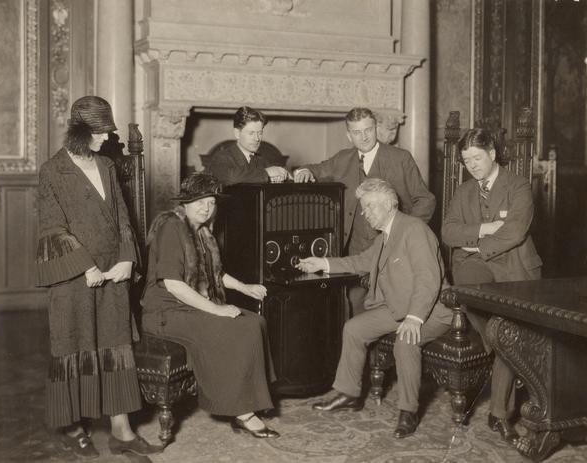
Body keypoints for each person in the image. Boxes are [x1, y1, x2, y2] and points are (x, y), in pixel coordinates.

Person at [36, 96, 160, 460]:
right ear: (80, 132)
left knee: (115, 345)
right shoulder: (51, 171)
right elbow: (51, 227)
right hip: (75, 278)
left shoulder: (106, 165)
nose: (107, 138)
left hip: (113, 274)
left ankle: (122, 430)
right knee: (74, 347)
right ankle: (74, 427)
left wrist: (126, 260)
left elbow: (123, 217)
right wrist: (85, 267)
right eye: (101, 132)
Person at [296, 178, 452, 438]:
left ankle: (408, 411)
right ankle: (349, 393)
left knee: (405, 341)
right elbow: (362, 260)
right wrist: (322, 263)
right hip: (398, 307)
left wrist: (414, 318)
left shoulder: (414, 229)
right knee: (354, 328)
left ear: (389, 205)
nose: (365, 214)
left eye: (369, 207)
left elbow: (428, 278)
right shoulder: (386, 235)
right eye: (364, 208)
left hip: (432, 310)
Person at [140, 172, 280, 439]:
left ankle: (252, 400)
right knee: (237, 328)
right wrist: (216, 310)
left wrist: (244, 287)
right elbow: (173, 284)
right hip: (165, 312)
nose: (207, 207)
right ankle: (242, 412)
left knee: (255, 322)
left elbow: (216, 275)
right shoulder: (171, 227)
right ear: (185, 203)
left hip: (189, 306)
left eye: (212, 202)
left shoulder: (202, 231)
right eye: (200, 201)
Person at [442, 128, 543, 446]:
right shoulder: (463, 192)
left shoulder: (519, 186)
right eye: (466, 160)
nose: (471, 165)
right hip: (473, 270)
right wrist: (486, 229)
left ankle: (498, 414)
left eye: (477, 158)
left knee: (505, 330)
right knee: (502, 333)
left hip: (516, 270)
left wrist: (474, 243)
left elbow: (514, 232)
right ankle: (501, 354)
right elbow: (448, 232)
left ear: (493, 154)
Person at [294, 107, 436, 316]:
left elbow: (425, 200)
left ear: (376, 128)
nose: (364, 137)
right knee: (353, 311)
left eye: (368, 130)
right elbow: (316, 169)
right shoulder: (343, 159)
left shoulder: (400, 158)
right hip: (356, 251)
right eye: (357, 132)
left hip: (395, 250)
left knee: (393, 309)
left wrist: (406, 232)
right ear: (348, 136)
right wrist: (303, 170)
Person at [205, 106, 290, 185]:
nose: (257, 139)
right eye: (251, 133)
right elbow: (232, 177)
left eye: (260, 133)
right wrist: (267, 173)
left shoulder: (261, 160)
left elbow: (278, 173)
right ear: (237, 133)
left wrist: (282, 175)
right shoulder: (222, 157)